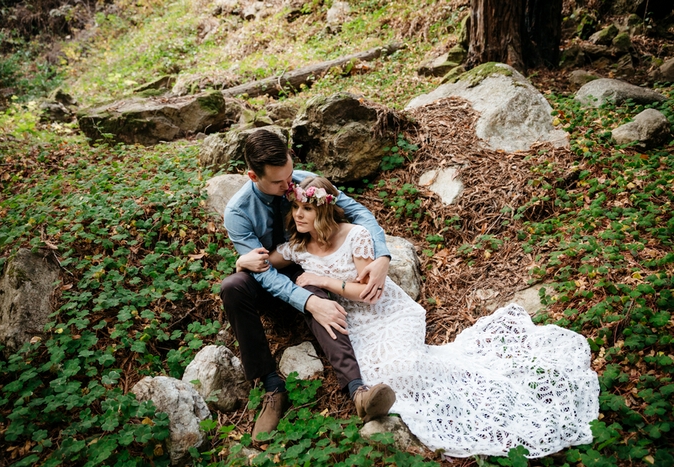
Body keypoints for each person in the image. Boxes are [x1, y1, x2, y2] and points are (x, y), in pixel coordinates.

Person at [238, 175, 601, 458]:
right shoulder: (297, 245)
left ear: (326, 211)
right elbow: (266, 261)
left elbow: (366, 291)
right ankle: (367, 395)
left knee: (406, 365)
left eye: (307, 210)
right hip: (355, 321)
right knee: (383, 371)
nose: (298, 216)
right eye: (296, 209)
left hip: (385, 312)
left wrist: (322, 280)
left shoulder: (357, 237)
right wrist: (242, 261)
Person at [221, 129, 396, 439]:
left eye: (289, 174)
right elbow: (263, 270)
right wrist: (306, 300)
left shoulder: (304, 182)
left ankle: (358, 392)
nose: (289, 186)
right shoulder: (238, 212)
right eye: (278, 182)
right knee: (233, 287)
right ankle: (272, 386)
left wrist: (382, 255)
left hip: (312, 271)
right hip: (272, 279)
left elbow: (358, 212)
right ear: (252, 175)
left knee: (313, 287)